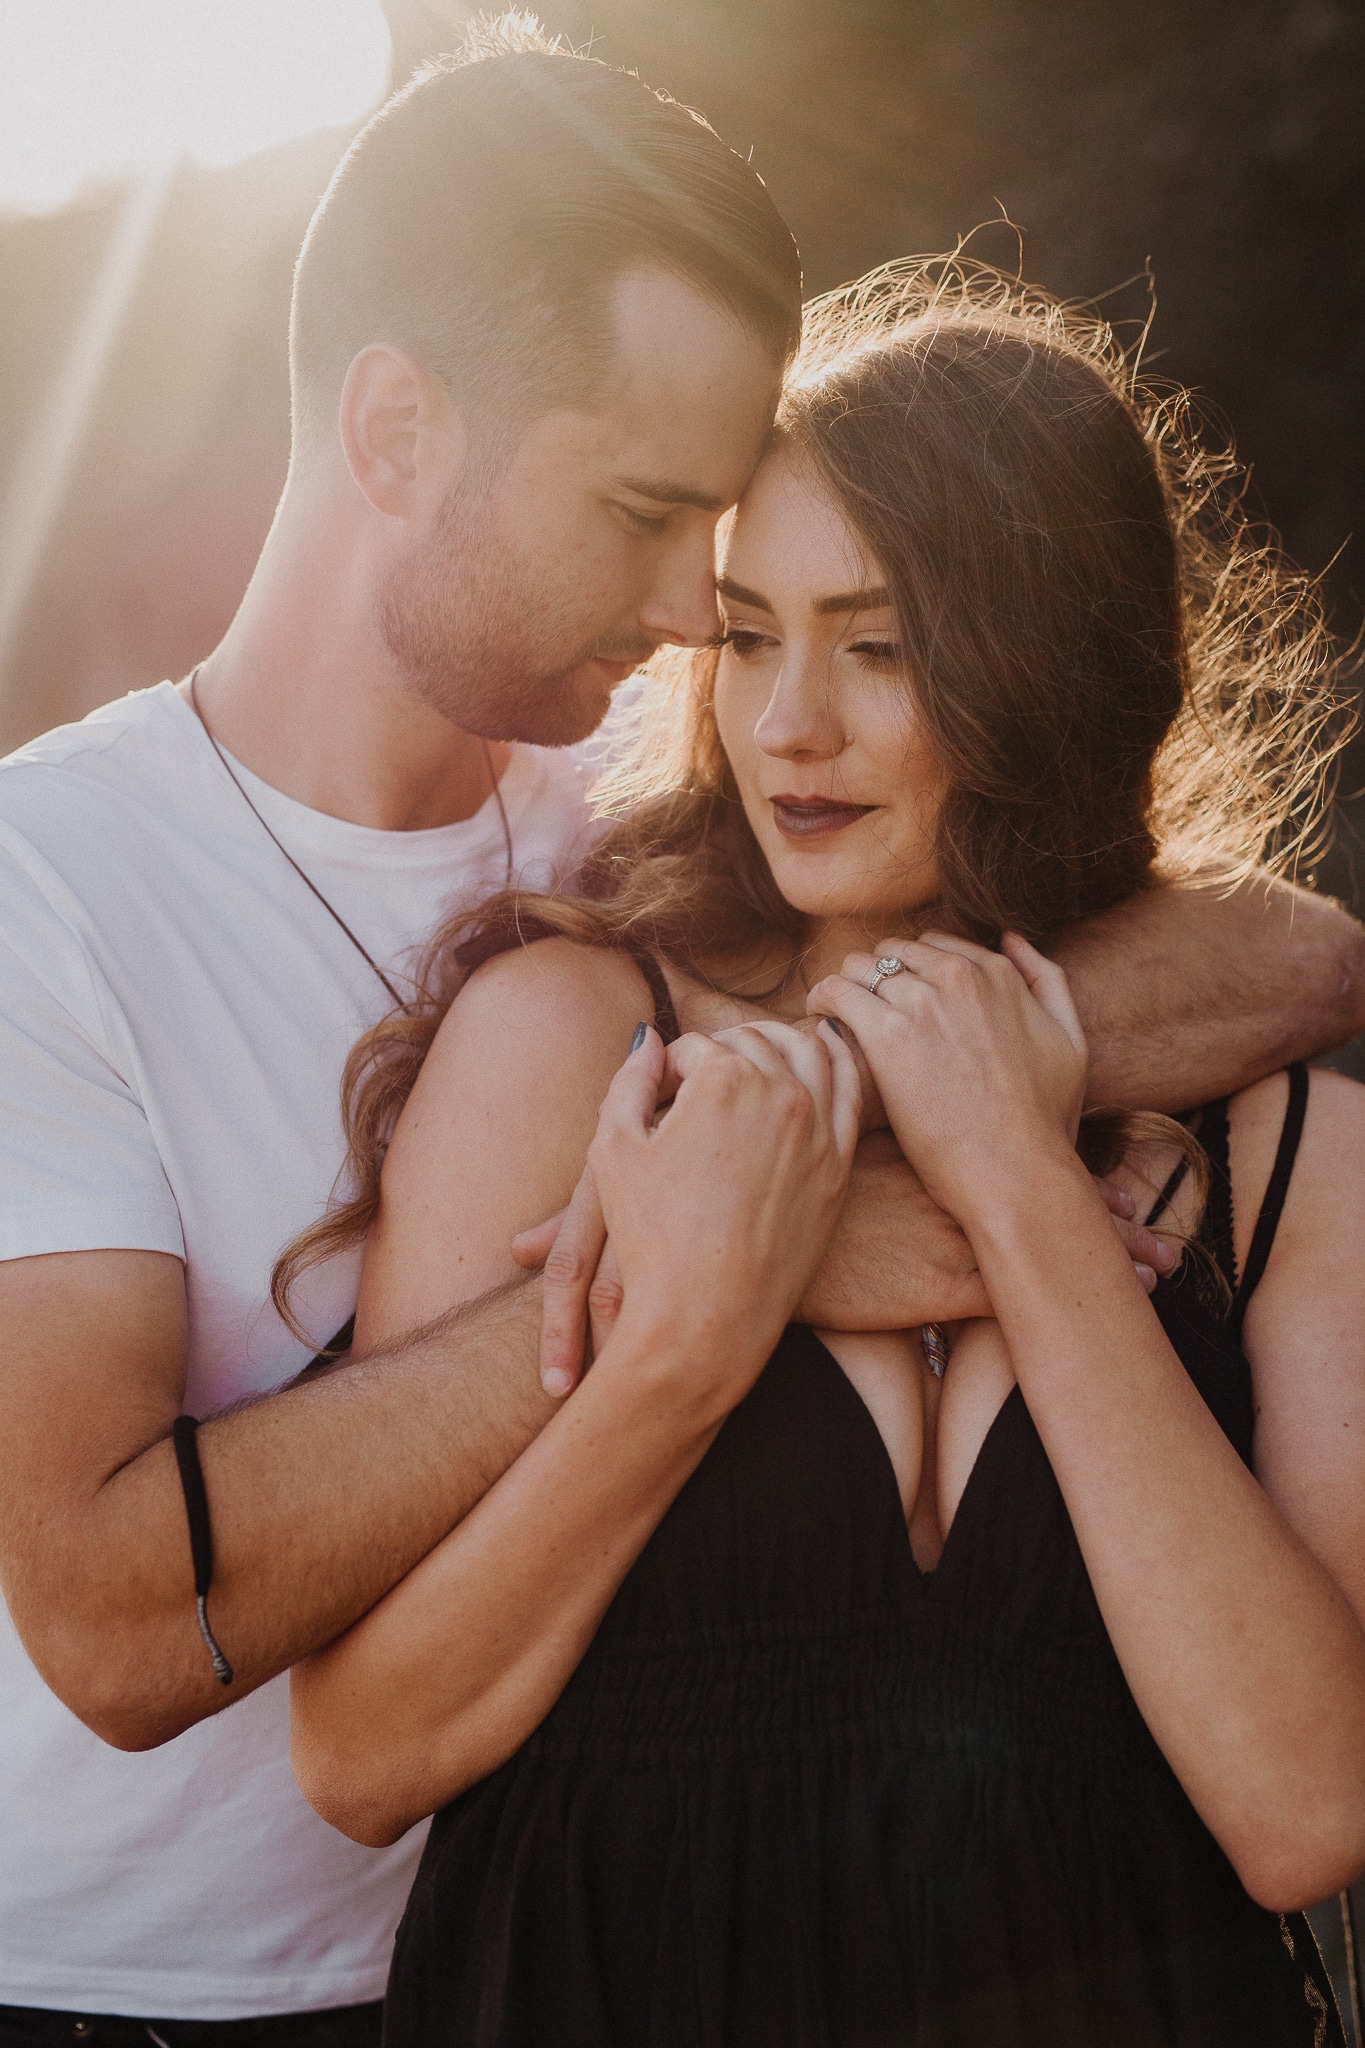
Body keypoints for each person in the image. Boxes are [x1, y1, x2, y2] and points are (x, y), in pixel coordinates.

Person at [0, 18, 1356, 2044]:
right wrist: (740, 1252)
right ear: (393, 433)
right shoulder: (53, 886)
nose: (688, 632)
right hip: (139, 1986)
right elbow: (114, 1619)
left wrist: (932, 1096)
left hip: (478, 1948)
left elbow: (1292, 956)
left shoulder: (640, 840)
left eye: (779, 603)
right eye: (660, 526)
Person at [285, 263, 1365, 2046]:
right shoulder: (568, 1044)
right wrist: (691, 1339)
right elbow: (362, 1753)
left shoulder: (1289, 1153)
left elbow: (1304, 1813)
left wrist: (1019, 1189)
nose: (789, 720)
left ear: (1052, 672)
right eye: (749, 631)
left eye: (876, 645)